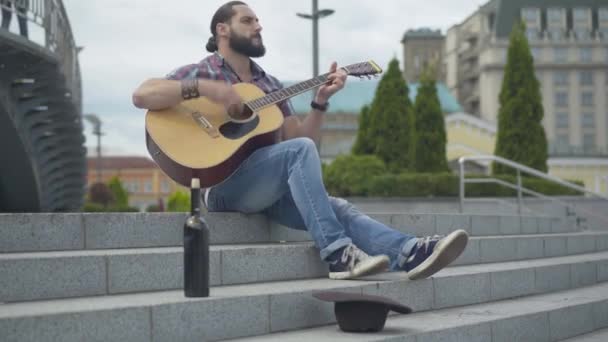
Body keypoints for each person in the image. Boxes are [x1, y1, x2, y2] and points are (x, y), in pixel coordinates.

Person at [132, 1, 468, 280]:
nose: (258, 26)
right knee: (303, 161)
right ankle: (338, 255)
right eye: (248, 20)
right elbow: (143, 95)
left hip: (266, 187)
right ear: (222, 29)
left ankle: (410, 252)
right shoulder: (202, 70)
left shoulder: (270, 85)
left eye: (259, 21)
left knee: (338, 207)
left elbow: (298, 140)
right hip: (222, 186)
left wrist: (320, 101)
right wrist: (205, 89)